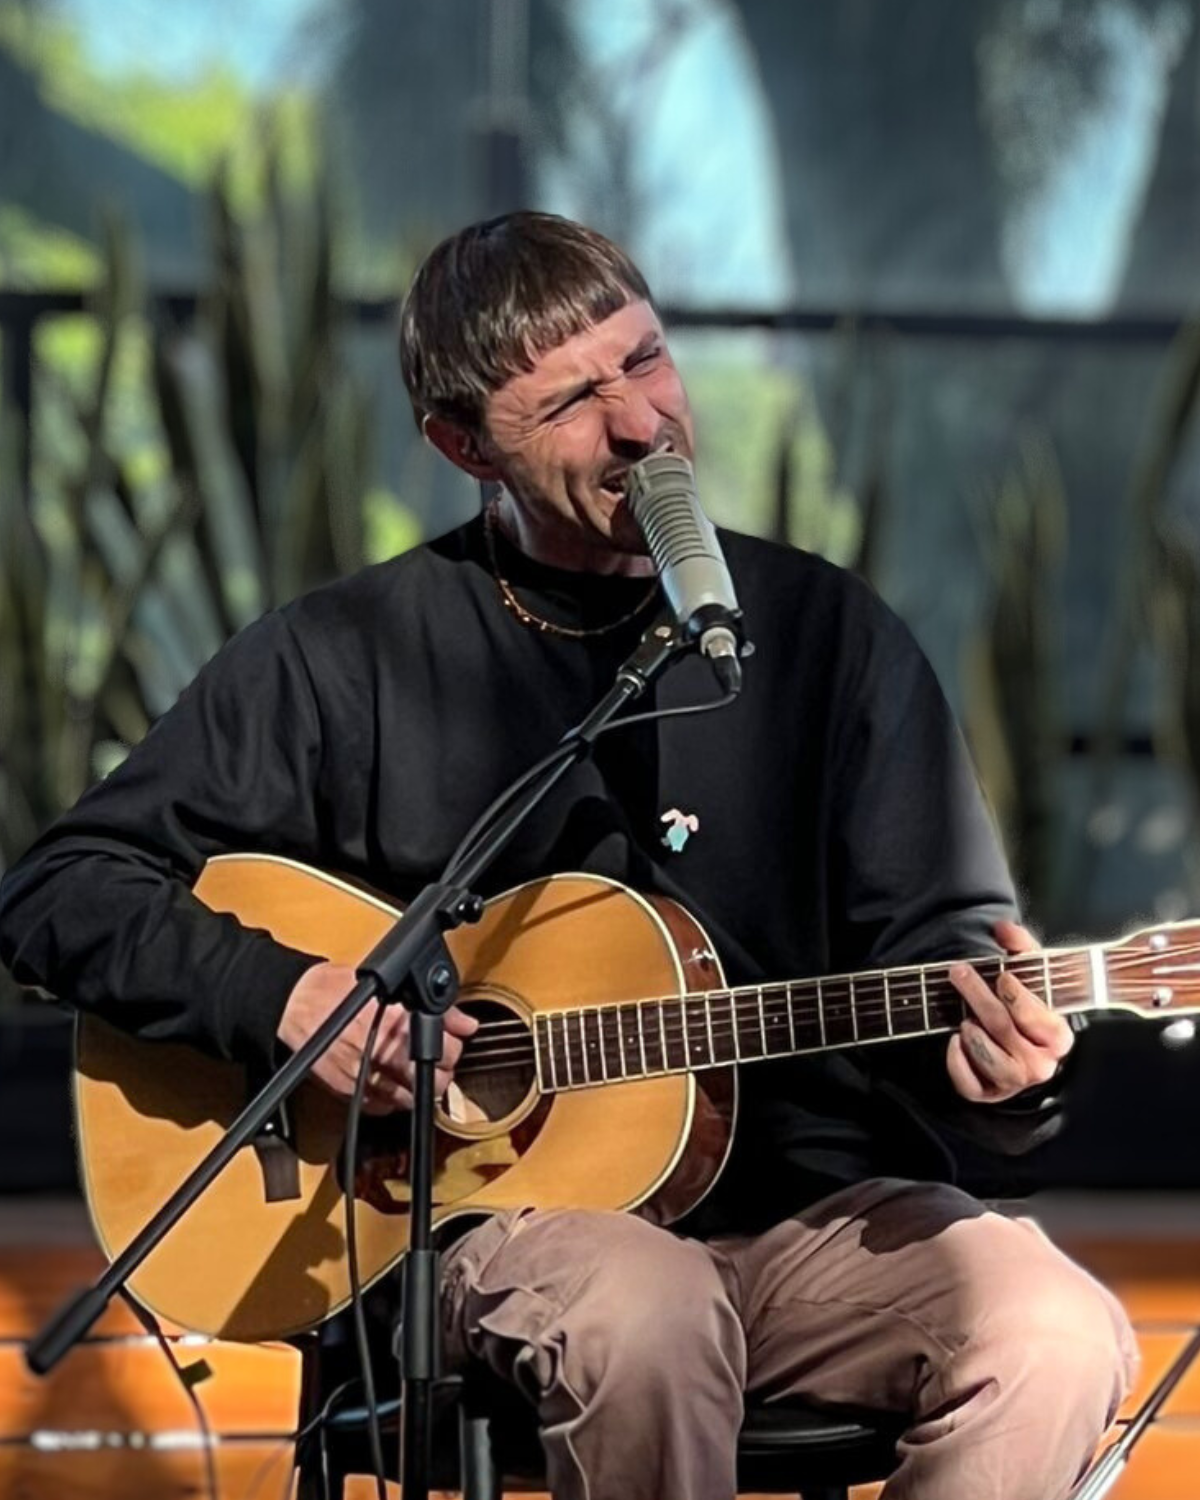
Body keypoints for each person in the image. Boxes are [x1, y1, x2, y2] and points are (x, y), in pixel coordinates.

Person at [0, 212, 1136, 1500]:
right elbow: (59, 890)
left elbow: (945, 971)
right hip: (484, 1244)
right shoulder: (346, 659)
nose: (645, 425)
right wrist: (291, 999)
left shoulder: (830, 638)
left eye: (647, 360)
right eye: (574, 401)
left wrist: (1001, 1076)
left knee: (1052, 1329)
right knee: (640, 1313)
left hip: (807, 1232)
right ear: (461, 443)